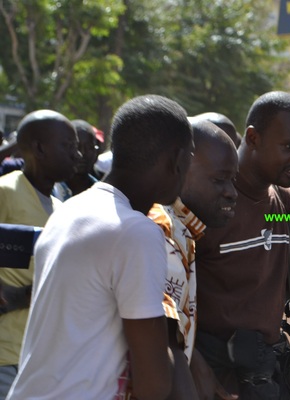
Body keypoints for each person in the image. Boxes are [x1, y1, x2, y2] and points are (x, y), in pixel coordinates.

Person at [8, 95, 194, 399]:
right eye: (191, 157)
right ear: (176, 159)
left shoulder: (69, 209)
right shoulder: (136, 232)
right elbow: (155, 383)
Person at [194, 91, 290, 397]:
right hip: (214, 378)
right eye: (289, 147)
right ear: (254, 138)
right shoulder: (209, 201)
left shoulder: (284, 202)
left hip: (265, 375)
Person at [146, 118, 238, 400]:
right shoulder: (162, 231)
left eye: (233, 180)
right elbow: (161, 343)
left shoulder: (185, 229)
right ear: (180, 168)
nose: (232, 193)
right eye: (219, 179)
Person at [0, 110, 80, 397]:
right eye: (68, 146)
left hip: (43, 355)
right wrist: (12, 294)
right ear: (39, 148)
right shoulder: (6, 191)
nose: (77, 155)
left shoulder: (62, 206)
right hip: (6, 353)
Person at [53, 119, 99, 201]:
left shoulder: (102, 193)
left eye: (89, 147)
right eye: (76, 146)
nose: (82, 153)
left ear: (96, 152)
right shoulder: (52, 191)